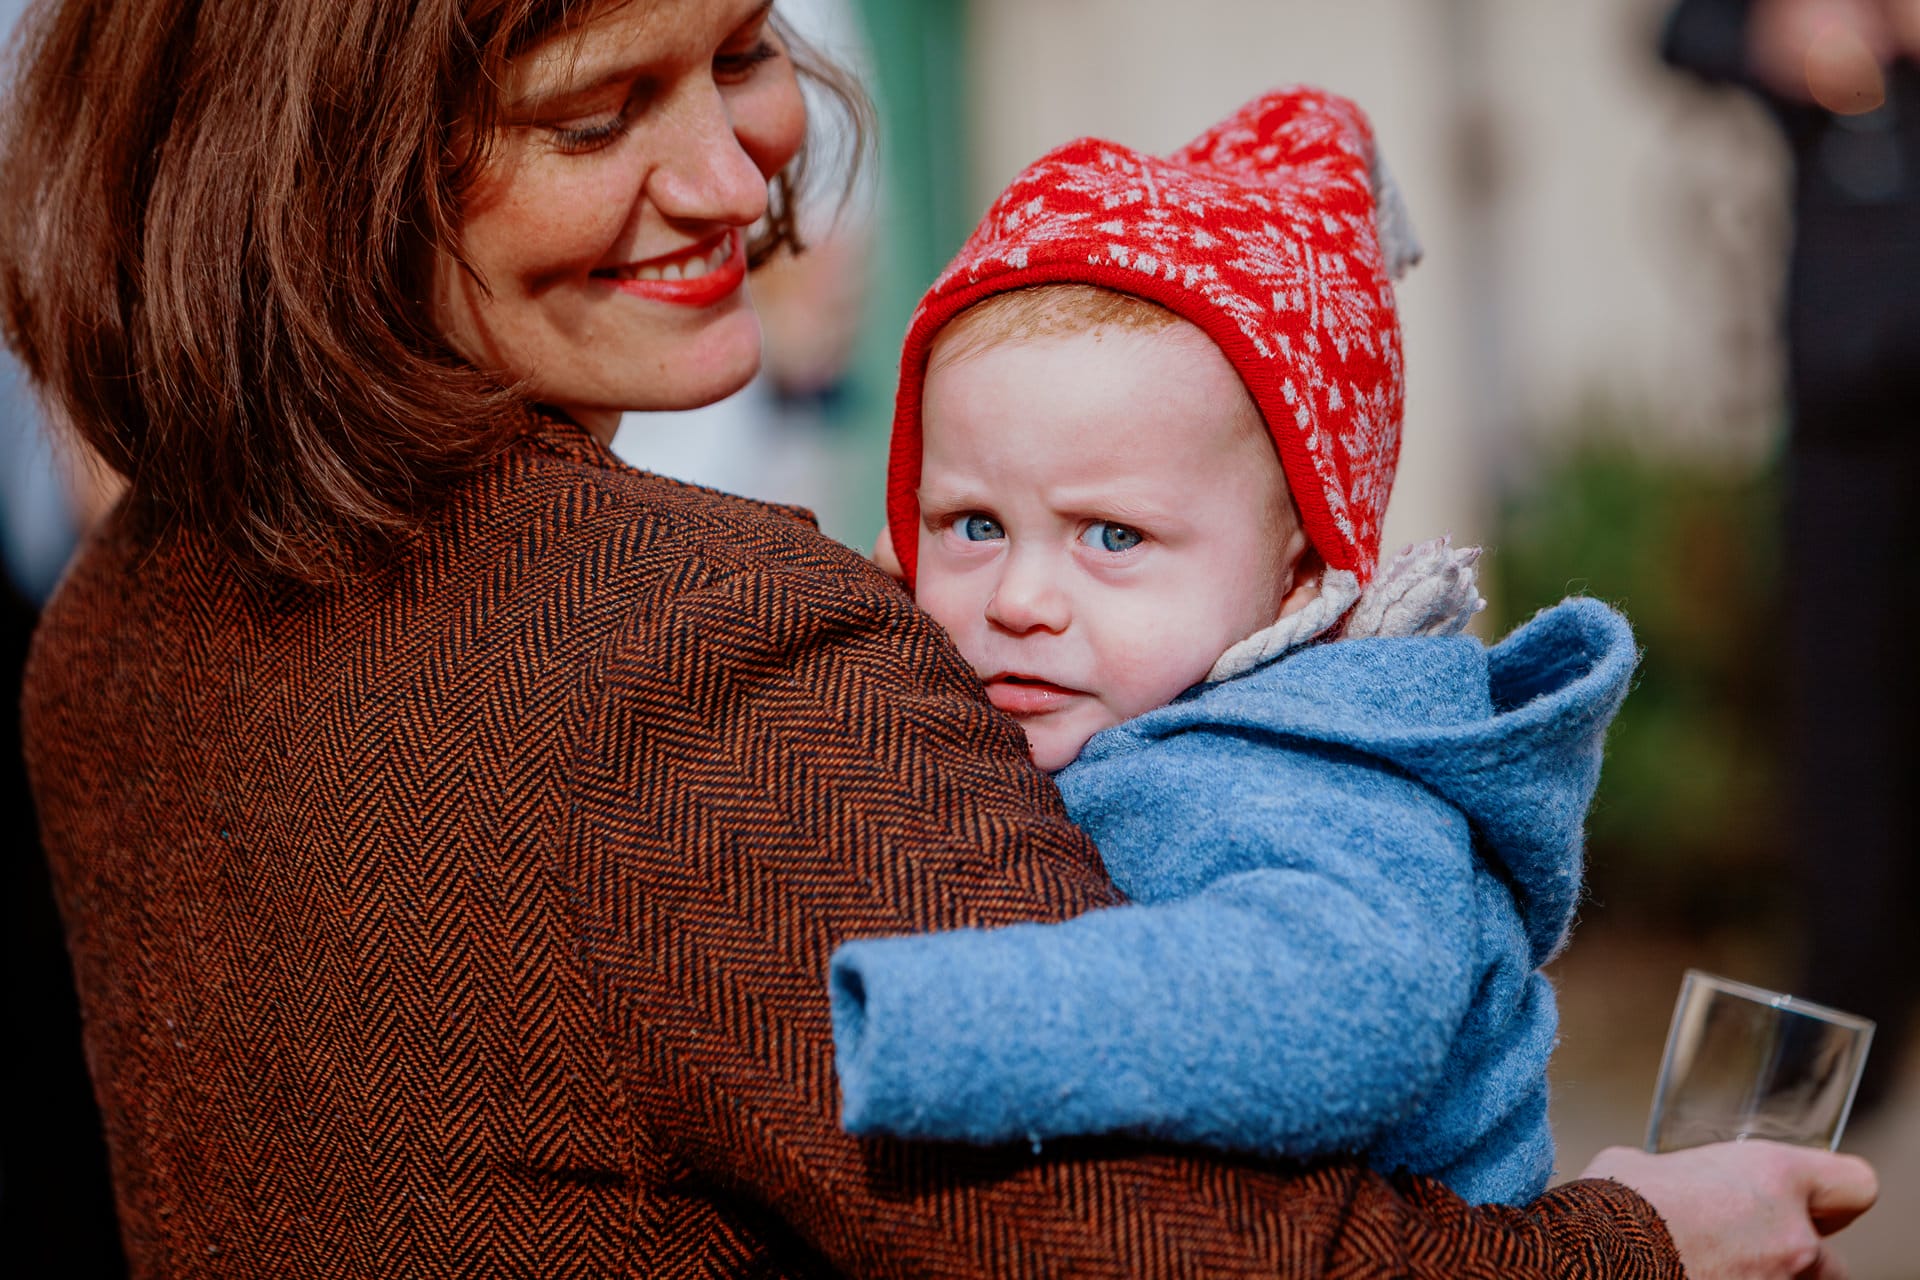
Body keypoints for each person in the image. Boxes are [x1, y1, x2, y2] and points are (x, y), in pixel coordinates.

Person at [0, 0, 1876, 1275]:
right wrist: (1639, 1242)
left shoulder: (122, 613)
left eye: (741, 49)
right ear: (318, 168)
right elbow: (1169, 1249)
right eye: (596, 111)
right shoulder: (697, 659)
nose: (736, 177)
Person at [829, 89, 1626, 1208]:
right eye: (972, 524)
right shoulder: (1115, 697)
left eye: (1113, 536)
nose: (1017, 598)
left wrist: (938, 1017)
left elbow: (1340, 1017)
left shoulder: (1314, 769)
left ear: (1300, 578)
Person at [1662, 0, 1920, 1117]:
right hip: (1843, 419)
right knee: (1843, 743)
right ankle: (1835, 1059)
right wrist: (1786, 38)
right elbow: (1682, 31)